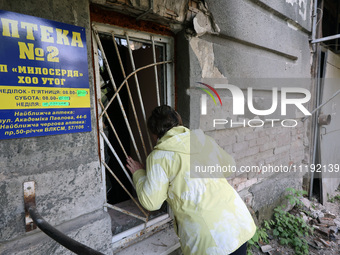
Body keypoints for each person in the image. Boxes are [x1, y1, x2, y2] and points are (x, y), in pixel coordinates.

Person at [126, 105, 256, 255]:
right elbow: (230, 167)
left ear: (154, 135)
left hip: (209, 241)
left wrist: (139, 174)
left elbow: (151, 202)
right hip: (237, 223)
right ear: (179, 123)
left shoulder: (159, 157)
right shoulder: (203, 141)